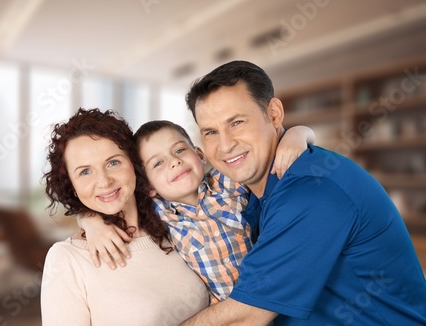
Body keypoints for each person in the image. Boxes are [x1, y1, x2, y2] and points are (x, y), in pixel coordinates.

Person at [181, 60, 426, 325]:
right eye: (211, 132)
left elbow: (244, 317)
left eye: (237, 122)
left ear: (274, 114)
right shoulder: (247, 190)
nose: (226, 145)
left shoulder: (310, 192)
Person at [79, 119, 315, 303]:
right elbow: (109, 202)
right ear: (148, 186)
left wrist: (297, 134)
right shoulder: (158, 212)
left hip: (277, 294)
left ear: (200, 155)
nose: (174, 162)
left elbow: (277, 147)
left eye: (180, 150)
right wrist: (90, 222)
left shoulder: (226, 183)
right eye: (158, 163)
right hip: (229, 311)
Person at [40, 108, 209, 326]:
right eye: (85, 172)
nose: (104, 181)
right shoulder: (67, 258)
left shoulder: (174, 223)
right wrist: (89, 220)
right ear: (72, 186)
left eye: (113, 163)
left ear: (134, 165)